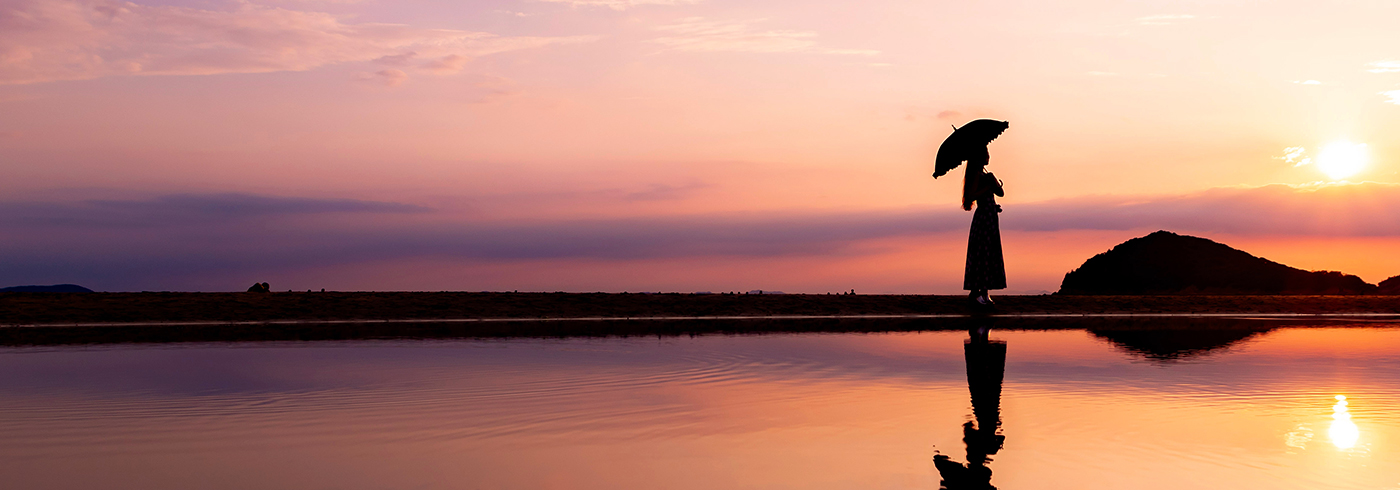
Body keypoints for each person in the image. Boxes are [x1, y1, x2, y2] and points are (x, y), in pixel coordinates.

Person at [961, 147, 1006, 305]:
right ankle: (976, 293)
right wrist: (987, 186)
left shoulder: (986, 176)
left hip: (990, 216)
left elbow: (1000, 194)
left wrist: (993, 181)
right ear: (979, 158)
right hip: (983, 219)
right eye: (986, 154)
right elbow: (971, 196)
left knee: (989, 254)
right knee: (982, 254)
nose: (988, 156)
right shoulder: (976, 176)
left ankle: (985, 292)